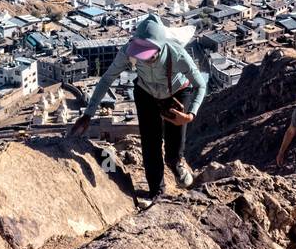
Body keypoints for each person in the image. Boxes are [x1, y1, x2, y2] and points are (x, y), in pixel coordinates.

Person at [69, 13, 208, 199]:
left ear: (159, 48)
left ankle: (175, 162)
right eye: (139, 54)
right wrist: (88, 113)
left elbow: (200, 84)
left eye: (148, 55)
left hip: (176, 93)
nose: (142, 58)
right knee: (150, 142)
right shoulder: (128, 51)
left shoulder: (177, 55)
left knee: (174, 142)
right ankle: (156, 191)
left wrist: (190, 115)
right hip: (145, 92)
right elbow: (107, 79)